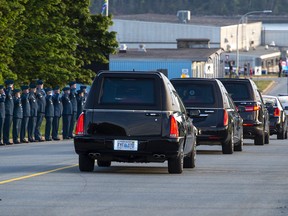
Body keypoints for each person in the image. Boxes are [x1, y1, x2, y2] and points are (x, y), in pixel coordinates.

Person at [3, 79, 14, 145]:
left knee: (8, 127)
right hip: (7, 111)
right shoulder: (6, 91)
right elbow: (7, 95)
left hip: (10, 111)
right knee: (6, 127)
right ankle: (5, 139)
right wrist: (9, 88)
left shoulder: (11, 92)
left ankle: (6, 139)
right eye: (11, 85)